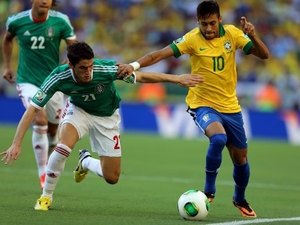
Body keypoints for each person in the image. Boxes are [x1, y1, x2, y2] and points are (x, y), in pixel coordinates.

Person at [0, 41, 203, 211]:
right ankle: (46, 196)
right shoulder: (57, 77)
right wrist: (16, 143)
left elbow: (141, 77)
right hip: (78, 112)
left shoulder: (104, 68)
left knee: (112, 177)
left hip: (107, 118)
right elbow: (32, 109)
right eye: (82, 68)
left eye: (90, 66)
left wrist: (177, 79)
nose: (88, 72)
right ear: (70, 64)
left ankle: (86, 161)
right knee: (63, 147)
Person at [117, 0, 270, 218]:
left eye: (211, 23)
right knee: (218, 139)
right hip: (202, 104)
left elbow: (264, 55)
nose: (207, 28)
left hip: (231, 107)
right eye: (203, 24)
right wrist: (133, 66)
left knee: (241, 159)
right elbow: (158, 54)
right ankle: (209, 191)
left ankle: (240, 198)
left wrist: (253, 35)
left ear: (219, 20)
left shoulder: (233, 35)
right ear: (197, 22)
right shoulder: (191, 39)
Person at [2, 0, 77, 189]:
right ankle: (43, 173)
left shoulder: (61, 21)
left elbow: (74, 47)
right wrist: (8, 65)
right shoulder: (16, 21)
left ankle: (51, 157)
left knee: (53, 131)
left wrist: (72, 68)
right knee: (39, 118)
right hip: (28, 80)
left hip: (53, 82)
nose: (45, 0)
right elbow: (7, 39)